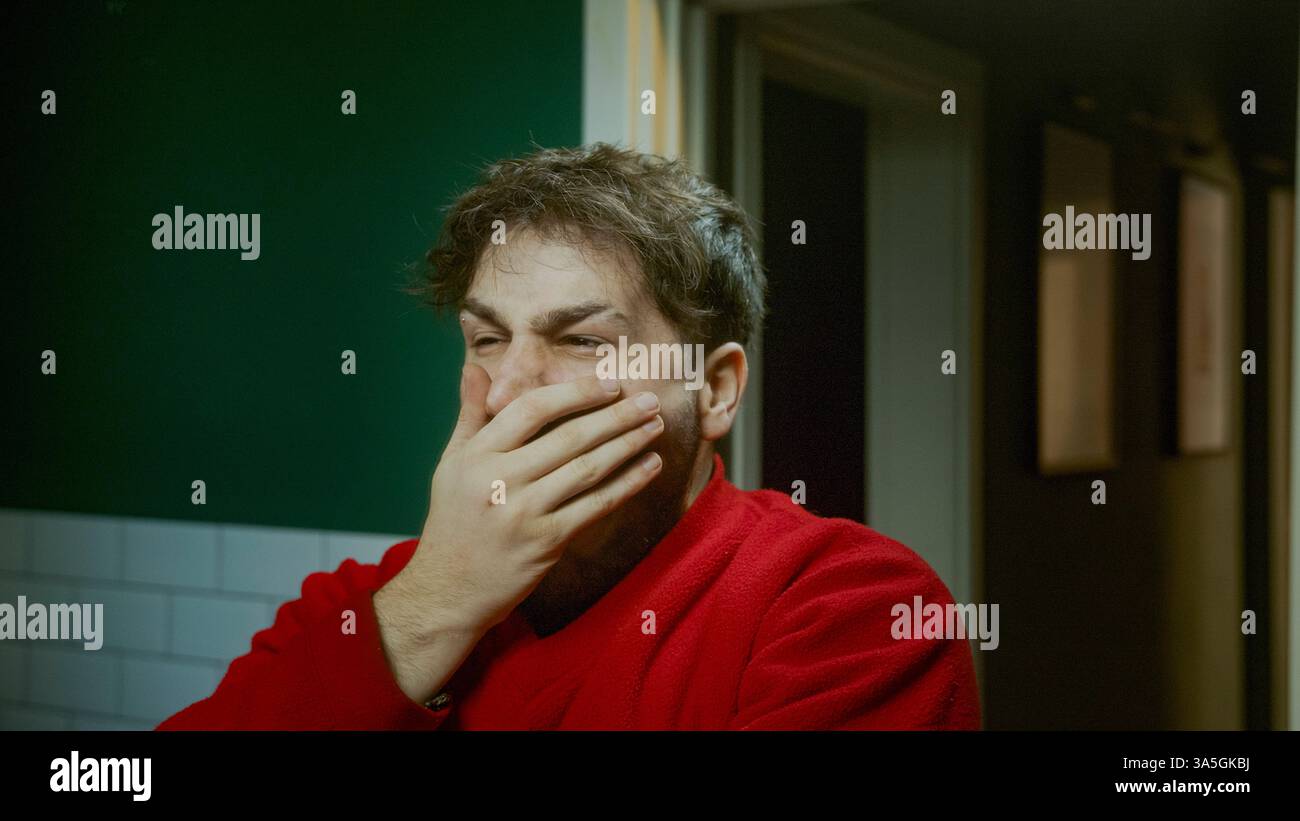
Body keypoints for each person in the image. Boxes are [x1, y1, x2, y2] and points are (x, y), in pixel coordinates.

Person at [157, 143, 980, 730]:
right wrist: (434, 606)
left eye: (583, 340)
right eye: (486, 339)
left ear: (717, 387)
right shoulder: (365, 604)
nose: (509, 386)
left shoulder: (850, 611)